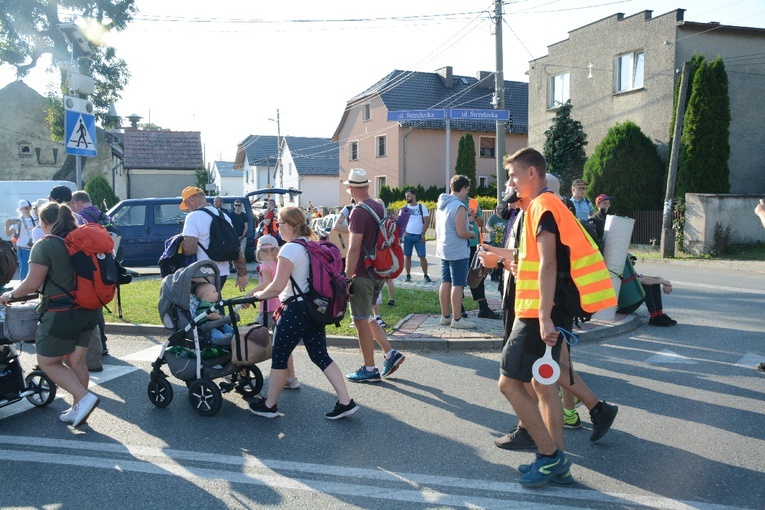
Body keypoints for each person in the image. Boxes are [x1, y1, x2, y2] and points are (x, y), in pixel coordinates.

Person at [491, 148, 617, 487]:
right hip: (538, 310)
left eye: (515, 176)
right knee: (540, 382)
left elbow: (549, 264)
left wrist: (545, 317)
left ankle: (550, 457)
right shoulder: (541, 206)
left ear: (532, 173)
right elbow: (535, 260)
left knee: (509, 383)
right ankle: (554, 459)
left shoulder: (544, 207)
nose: (512, 184)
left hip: (537, 312)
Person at [249, 206, 359, 419]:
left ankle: (270, 405)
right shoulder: (313, 244)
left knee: (279, 357)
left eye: (278, 224)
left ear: (288, 226)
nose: (277, 228)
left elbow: (277, 286)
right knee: (320, 355)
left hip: (294, 311)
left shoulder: (289, 249)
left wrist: (257, 296)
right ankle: (346, 401)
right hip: (314, 309)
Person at [0, 202, 101, 428]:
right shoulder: (79, 241)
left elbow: (33, 283)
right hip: (90, 309)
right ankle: (78, 408)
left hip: (62, 312)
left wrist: (11, 295)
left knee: (48, 362)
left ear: (44, 223)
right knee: (76, 360)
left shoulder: (45, 245)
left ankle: (83, 398)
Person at [343, 168, 406, 382]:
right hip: (378, 270)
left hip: (361, 272)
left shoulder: (358, 212)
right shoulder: (379, 205)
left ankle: (369, 370)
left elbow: (353, 248)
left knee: (360, 320)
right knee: (368, 315)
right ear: (367, 186)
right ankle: (390, 353)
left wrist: (346, 276)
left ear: (351, 188)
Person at [245, 234, 300, 389]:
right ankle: (292, 378)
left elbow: (267, 283)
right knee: (284, 344)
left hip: (267, 309)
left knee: (250, 339)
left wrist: (250, 294)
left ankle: (244, 374)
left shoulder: (264, 266)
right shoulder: (279, 263)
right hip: (281, 307)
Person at [179, 186, 247, 291]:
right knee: (215, 301)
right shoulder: (223, 215)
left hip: (203, 272)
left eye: (187, 204)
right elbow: (234, 245)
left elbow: (190, 249)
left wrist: (179, 247)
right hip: (222, 272)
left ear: (191, 200)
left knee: (204, 305)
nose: (188, 208)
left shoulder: (193, 217)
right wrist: (242, 273)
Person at [69, 190, 110, 356]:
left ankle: (95, 347)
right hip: (106, 264)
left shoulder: (80, 218)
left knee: (90, 307)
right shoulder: (103, 215)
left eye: (72, 204)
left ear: (77, 202)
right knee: (98, 306)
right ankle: (103, 343)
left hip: (90, 267)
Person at [436, 175, 476, 329]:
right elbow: (461, 232)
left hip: (444, 248)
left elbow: (451, 226)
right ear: (463, 188)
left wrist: (467, 226)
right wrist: (472, 233)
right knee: (458, 284)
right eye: (467, 190)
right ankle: (457, 320)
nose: (467, 194)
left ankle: (445, 316)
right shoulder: (459, 206)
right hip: (457, 250)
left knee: (445, 282)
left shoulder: (442, 203)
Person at [464, 193, 501, 319]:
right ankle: (459, 308)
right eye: (466, 188)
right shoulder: (454, 203)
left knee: (477, 274)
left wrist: (474, 216)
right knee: (460, 276)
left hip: (475, 244)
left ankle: (483, 308)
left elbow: (480, 223)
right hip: (461, 245)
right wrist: (466, 216)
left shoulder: (473, 202)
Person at [629, 256, 677, 326]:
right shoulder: (624, 273)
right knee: (646, 283)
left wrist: (665, 282)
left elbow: (655, 277)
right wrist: (663, 282)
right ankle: (653, 316)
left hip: (629, 303)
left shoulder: (631, 273)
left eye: (634, 263)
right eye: (631, 263)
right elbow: (642, 280)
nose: (633, 265)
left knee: (654, 282)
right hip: (622, 308)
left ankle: (659, 314)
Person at [400, 189, 431, 283]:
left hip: (419, 236)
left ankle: (425, 275)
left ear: (414, 196)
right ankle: (408, 275)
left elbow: (426, 221)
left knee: (422, 256)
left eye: (408, 196)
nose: (407, 198)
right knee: (407, 256)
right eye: (406, 196)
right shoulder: (405, 207)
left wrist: (423, 233)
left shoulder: (422, 207)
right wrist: (403, 231)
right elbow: (401, 221)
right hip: (408, 236)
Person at [5, 200, 36, 280]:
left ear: (30, 208)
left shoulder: (36, 219)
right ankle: (24, 291)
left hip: (36, 249)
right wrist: (7, 226)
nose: (25, 210)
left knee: (37, 271)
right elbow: (8, 234)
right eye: (22, 209)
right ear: (19, 210)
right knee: (25, 271)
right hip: (23, 249)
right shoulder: (18, 221)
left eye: (26, 208)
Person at [486, 204, 506, 282]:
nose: (497, 210)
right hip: (494, 242)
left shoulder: (506, 218)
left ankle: (501, 275)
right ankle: (494, 275)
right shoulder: (493, 218)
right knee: (494, 259)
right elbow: (487, 226)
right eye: (496, 208)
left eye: (499, 208)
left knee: (502, 260)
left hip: (503, 243)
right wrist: (491, 230)